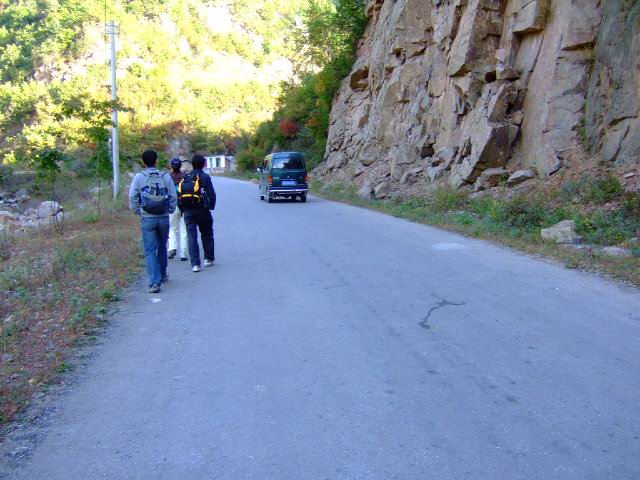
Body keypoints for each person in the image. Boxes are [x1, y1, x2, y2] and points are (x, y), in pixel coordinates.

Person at [128, 150, 177, 293]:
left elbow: (132, 196)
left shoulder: (139, 177)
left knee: (150, 250)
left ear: (143, 162)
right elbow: (173, 195)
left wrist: (137, 211)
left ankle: (154, 283)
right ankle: (162, 275)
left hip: (147, 218)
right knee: (162, 246)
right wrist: (170, 209)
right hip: (163, 217)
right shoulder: (165, 176)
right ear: (156, 161)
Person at [181, 155, 216, 273]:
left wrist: (183, 208)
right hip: (202, 210)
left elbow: (180, 194)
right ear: (203, 164)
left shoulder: (186, 177)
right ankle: (208, 259)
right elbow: (211, 194)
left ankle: (195, 264)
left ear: (192, 164)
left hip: (188, 211)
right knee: (207, 234)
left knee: (192, 237)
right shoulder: (205, 177)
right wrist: (211, 207)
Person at [168, 157, 189, 262]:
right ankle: (183, 254)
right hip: (184, 205)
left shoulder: (168, 177)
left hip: (173, 205)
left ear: (171, 166)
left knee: (172, 228)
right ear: (180, 166)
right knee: (184, 230)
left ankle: (172, 248)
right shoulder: (185, 176)